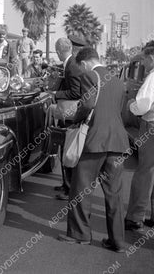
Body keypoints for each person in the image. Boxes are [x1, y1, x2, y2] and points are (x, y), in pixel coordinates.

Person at [58, 47, 129, 253]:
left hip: (94, 141)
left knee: (80, 188)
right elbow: (119, 110)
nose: (80, 71)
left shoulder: (90, 75)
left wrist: (75, 118)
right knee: (114, 194)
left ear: (85, 63)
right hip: (117, 141)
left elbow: (88, 105)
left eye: (80, 67)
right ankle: (118, 242)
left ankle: (80, 235)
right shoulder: (117, 80)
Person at [49, 36, 87, 200]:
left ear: (58, 52)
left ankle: (69, 189)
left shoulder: (72, 66)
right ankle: (66, 184)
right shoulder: (70, 64)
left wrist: (55, 94)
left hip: (71, 115)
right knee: (65, 150)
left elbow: (76, 92)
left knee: (68, 150)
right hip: (70, 113)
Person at [125, 46, 154, 231]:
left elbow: (143, 105)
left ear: (152, 57)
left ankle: (135, 217)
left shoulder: (152, 76)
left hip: (151, 125)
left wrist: (130, 106)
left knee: (144, 172)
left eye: (144, 59)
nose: (143, 63)